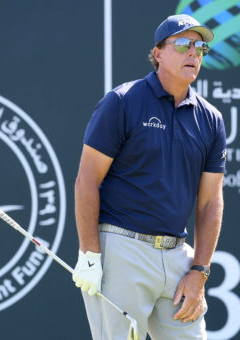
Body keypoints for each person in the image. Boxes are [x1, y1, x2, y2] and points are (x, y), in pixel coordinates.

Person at [72, 14, 226, 340]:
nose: (193, 53)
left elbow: (211, 201)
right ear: (158, 53)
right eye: (183, 44)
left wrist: (199, 271)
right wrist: (89, 254)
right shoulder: (123, 102)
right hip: (122, 251)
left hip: (177, 257)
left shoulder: (210, 119)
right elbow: (87, 180)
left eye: (200, 48)